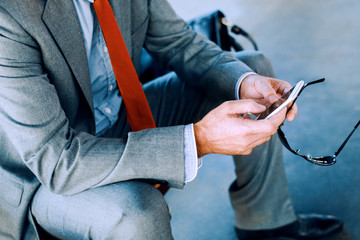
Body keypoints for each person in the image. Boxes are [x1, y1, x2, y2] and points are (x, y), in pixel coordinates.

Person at [0, 0, 343, 239]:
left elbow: (179, 42)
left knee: (253, 74)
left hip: (116, 117)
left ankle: (266, 221)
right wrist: (197, 140)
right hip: (44, 176)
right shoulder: (10, 17)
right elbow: (58, 162)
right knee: (138, 212)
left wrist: (244, 81)